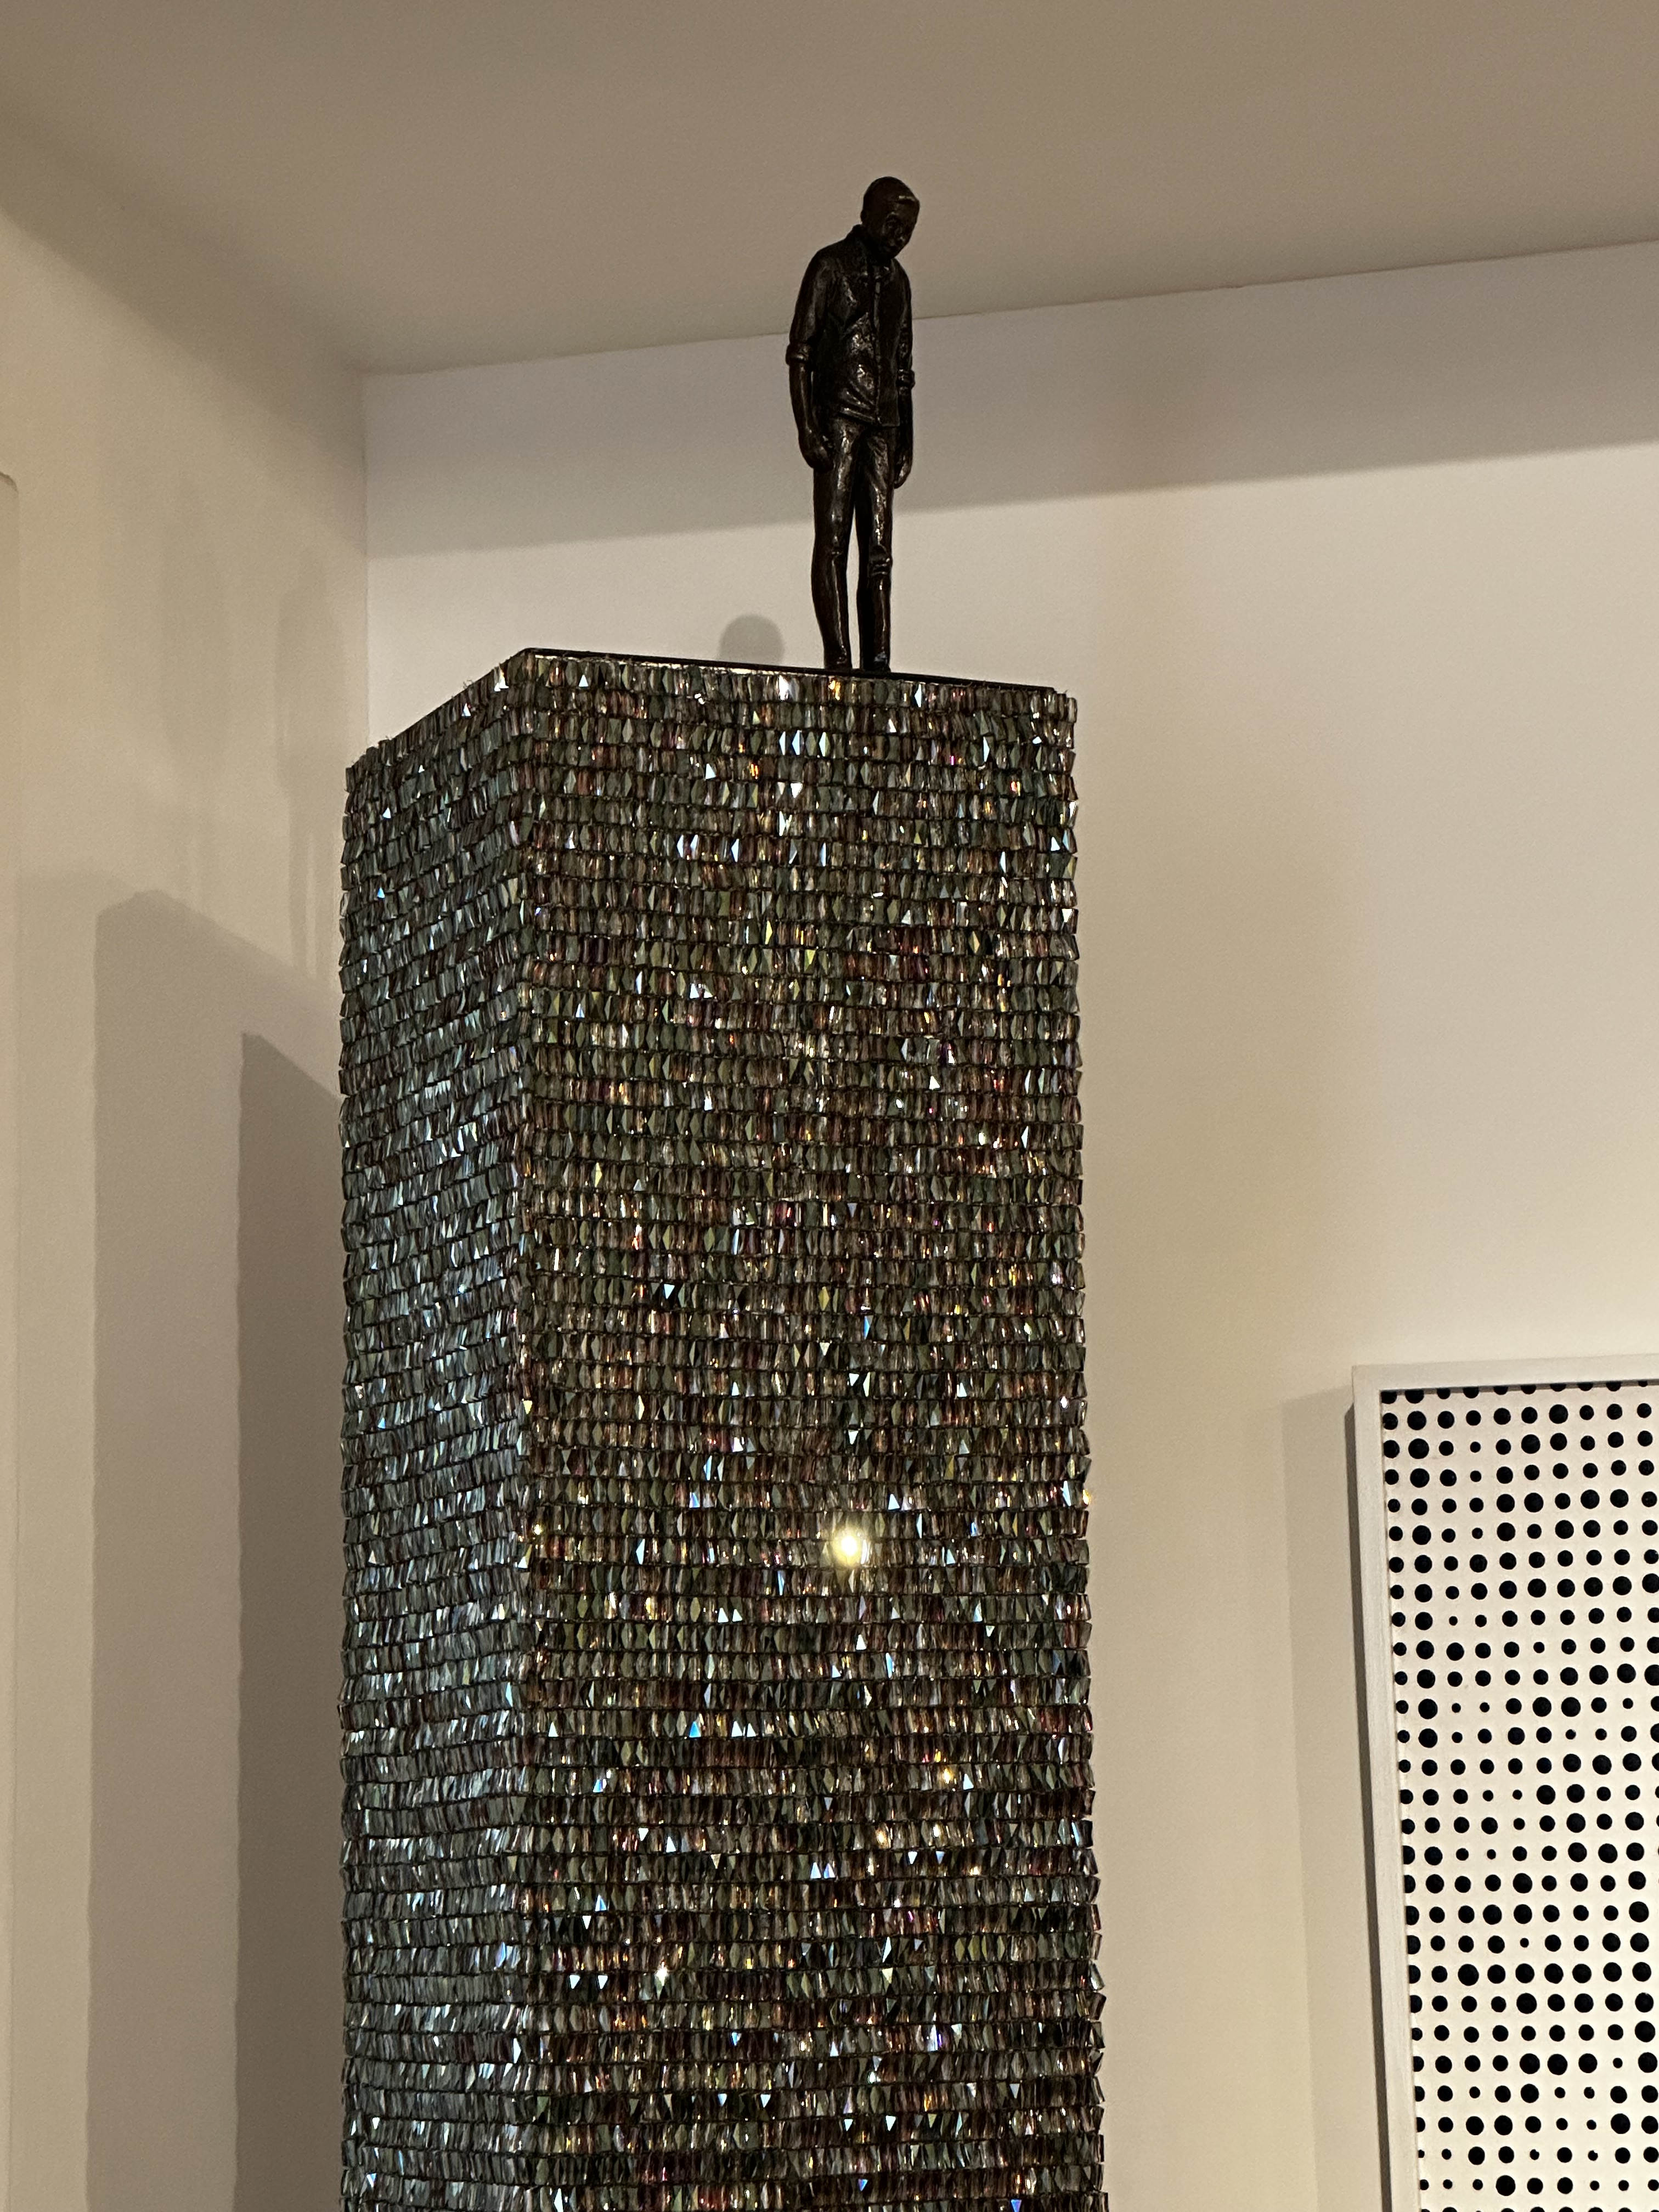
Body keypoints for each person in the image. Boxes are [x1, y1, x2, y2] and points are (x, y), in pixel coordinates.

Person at [787, 178, 919, 674]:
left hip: (883, 424)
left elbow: (903, 369)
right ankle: (839, 661)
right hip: (840, 416)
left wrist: (907, 437)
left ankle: (878, 663)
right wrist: (807, 426)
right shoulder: (830, 266)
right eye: (893, 225)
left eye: (907, 231)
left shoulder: (901, 283)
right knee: (834, 542)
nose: (899, 238)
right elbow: (800, 352)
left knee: (879, 552)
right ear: (868, 214)